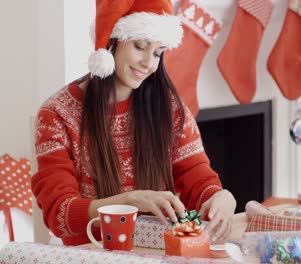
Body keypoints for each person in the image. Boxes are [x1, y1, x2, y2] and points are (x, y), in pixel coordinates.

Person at [32, 0, 236, 246]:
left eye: (158, 53)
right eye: (140, 46)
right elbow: (59, 214)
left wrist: (220, 197)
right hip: (91, 254)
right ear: (110, 41)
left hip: (158, 252)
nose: (149, 63)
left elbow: (196, 177)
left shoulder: (168, 106)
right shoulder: (57, 114)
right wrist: (129, 202)